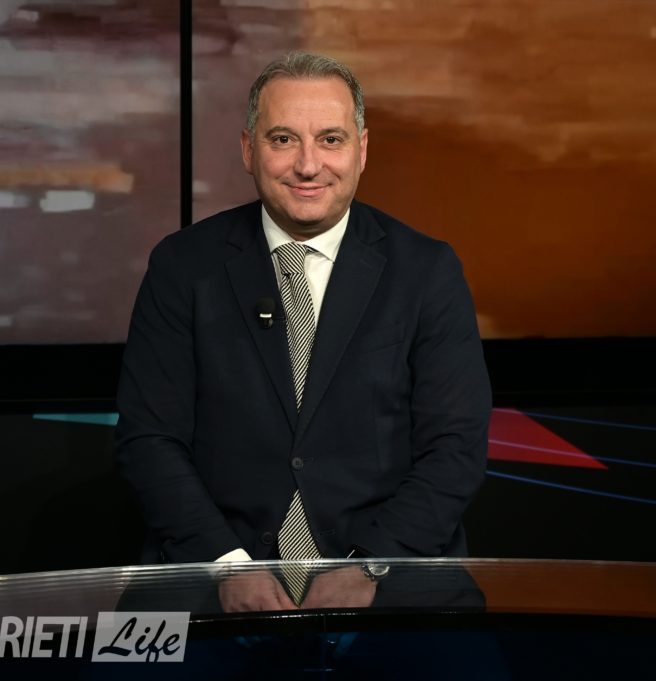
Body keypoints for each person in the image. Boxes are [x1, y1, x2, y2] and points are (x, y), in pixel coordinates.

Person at [114, 52, 491, 612]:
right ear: (249, 150)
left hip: (392, 572)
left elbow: (455, 449)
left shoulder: (426, 271)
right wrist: (226, 566)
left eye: (331, 140)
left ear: (362, 149)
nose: (308, 165)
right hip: (209, 571)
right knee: (120, 655)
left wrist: (370, 565)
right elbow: (148, 440)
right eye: (284, 139)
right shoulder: (183, 267)